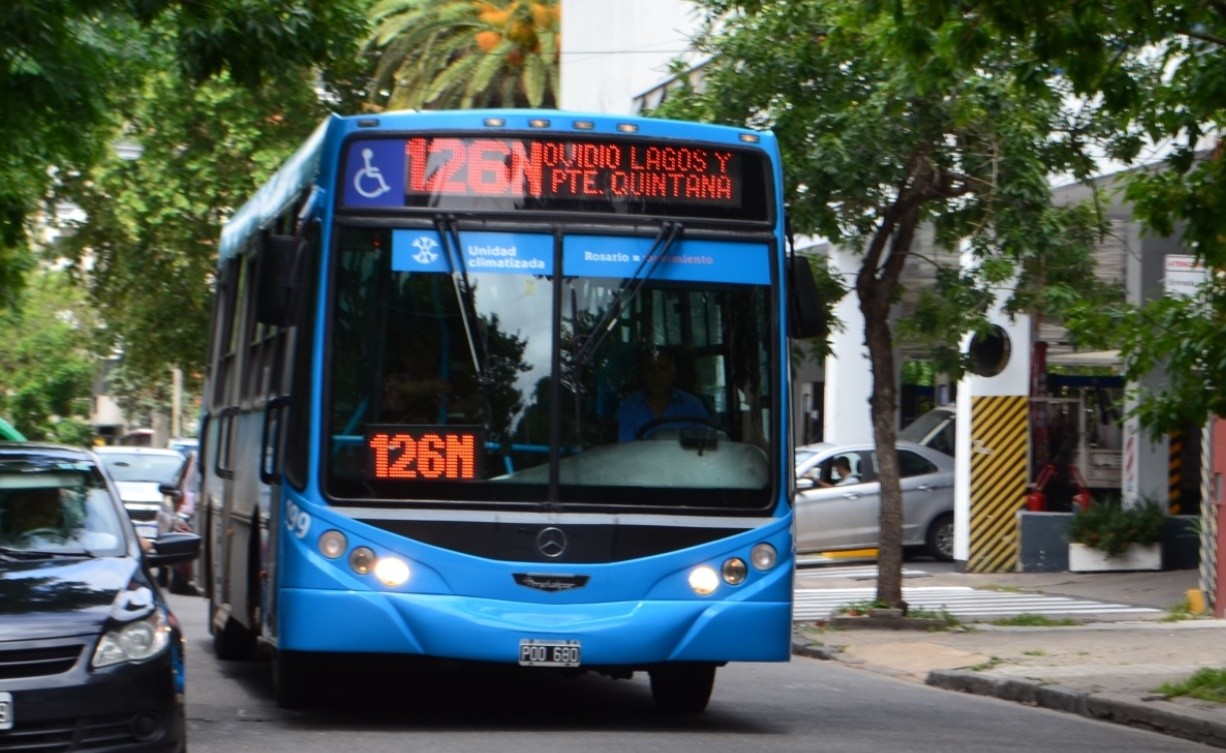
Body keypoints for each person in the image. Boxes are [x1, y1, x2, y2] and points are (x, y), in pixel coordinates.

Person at [617, 346, 710, 441]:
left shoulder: (693, 405)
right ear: (642, 373)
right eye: (651, 369)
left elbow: (707, 446)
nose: (657, 376)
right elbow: (622, 448)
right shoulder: (628, 407)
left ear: (673, 371)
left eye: (663, 369)